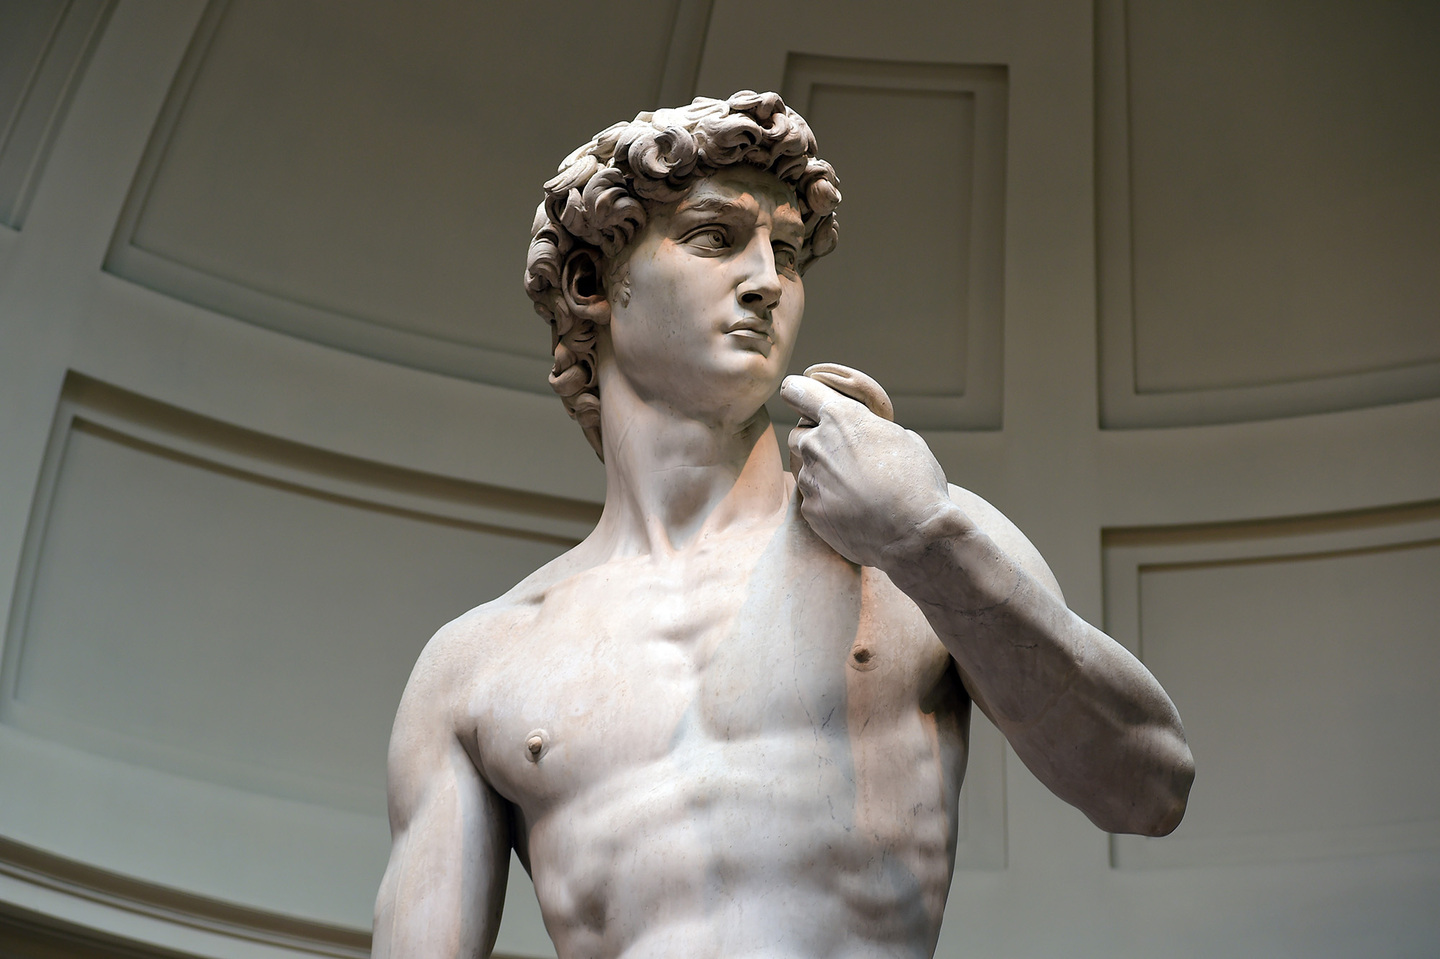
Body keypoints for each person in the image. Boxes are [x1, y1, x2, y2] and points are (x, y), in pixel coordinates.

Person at [372, 91, 1193, 959]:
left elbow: (1148, 786)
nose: (767, 280)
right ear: (592, 284)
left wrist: (924, 538)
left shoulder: (912, 543)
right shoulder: (480, 664)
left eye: (789, 252)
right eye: (715, 238)